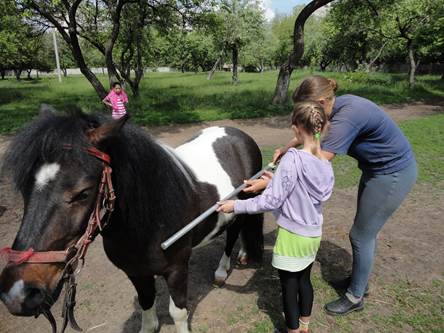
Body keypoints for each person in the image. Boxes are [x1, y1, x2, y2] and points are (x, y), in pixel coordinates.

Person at [245, 75, 417, 316]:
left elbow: (315, 163)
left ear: (323, 101)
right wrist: (286, 149)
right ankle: (359, 280)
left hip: (392, 174)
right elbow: (310, 129)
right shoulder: (335, 106)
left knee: (361, 234)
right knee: (364, 231)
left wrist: (273, 180)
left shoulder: (349, 116)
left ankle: (355, 295)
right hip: (374, 170)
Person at [217, 101, 334, 333]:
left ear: (296, 129)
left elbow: (270, 201)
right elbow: (305, 192)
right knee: (304, 281)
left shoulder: (293, 159)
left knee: (289, 287)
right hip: (312, 235)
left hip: (292, 237)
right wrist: (275, 181)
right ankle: (304, 325)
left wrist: (236, 206)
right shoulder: (325, 162)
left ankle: (292, 331)